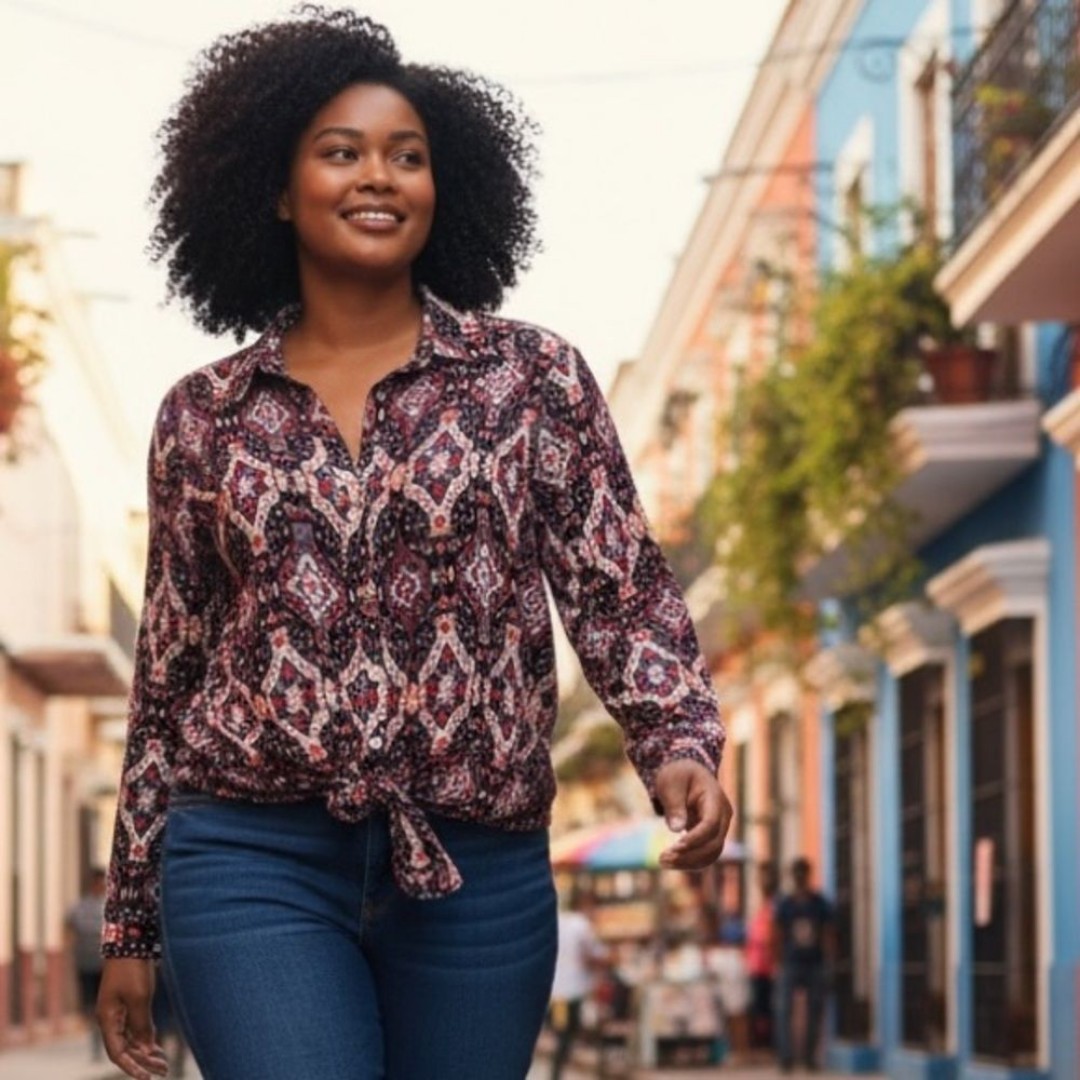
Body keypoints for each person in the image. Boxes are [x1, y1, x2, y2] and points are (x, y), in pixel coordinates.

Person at [95, 8, 732, 1080]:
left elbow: (618, 588)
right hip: (249, 858)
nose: (378, 177)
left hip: (477, 867)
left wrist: (677, 740)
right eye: (341, 152)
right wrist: (130, 922)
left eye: (407, 156)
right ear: (275, 187)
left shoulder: (532, 380)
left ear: (446, 186)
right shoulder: (203, 417)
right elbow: (170, 674)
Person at [774, 857, 835, 1072]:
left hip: (814, 962)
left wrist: (829, 961)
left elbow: (828, 933)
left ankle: (809, 1056)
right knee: (784, 1010)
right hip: (791, 962)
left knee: (815, 1010)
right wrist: (778, 962)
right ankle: (786, 1057)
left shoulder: (819, 903)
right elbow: (777, 934)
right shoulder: (786, 904)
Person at [549, 888, 605, 1079]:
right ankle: (557, 1073)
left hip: (556, 992)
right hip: (574, 991)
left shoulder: (559, 921)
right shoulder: (582, 925)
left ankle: (556, 1073)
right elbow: (592, 955)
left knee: (561, 1034)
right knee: (570, 1033)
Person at [66, 868, 107, 1062]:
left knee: (104, 1004)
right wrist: (72, 951)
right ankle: (95, 1041)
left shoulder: (109, 906)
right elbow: (68, 928)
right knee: (89, 1006)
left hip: (106, 966)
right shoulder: (79, 907)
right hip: (85, 964)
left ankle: (102, 1040)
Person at [745, 862, 779, 1055]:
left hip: (768, 967)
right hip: (757, 966)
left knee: (767, 1010)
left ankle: (770, 1047)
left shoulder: (775, 906)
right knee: (760, 1009)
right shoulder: (762, 905)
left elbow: (772, 938)